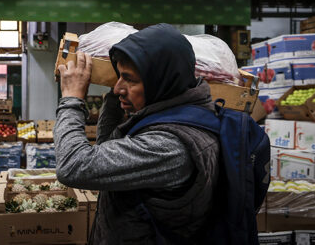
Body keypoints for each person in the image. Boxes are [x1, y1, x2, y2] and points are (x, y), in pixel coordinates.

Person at [55, 24, 220, 244]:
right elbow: (107, 149)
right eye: (119, 77)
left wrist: (72, 99)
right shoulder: (163, 115)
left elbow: (73, 166)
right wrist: (117, 98)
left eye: (130, 79)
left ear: (160, 82)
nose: (117, 88)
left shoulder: (170, 145)